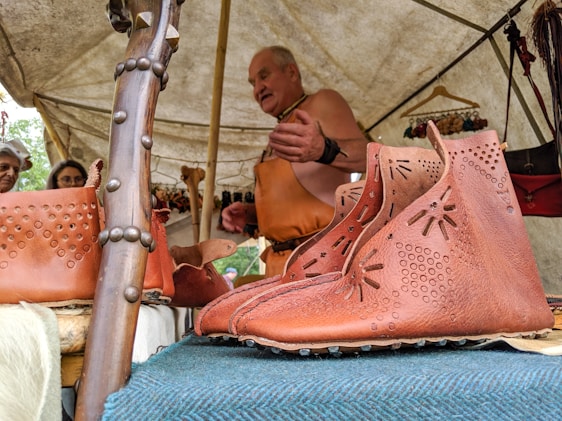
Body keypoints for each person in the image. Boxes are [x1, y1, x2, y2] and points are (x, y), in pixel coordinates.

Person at [221, 46, 380, 277]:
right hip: (278, 268)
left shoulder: (321, 102)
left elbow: (372, 158)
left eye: (264, 76)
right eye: (252, 82)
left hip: (322, 261)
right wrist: (251, 214)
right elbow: (291, 207)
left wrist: (324, 149)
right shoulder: (278, 135)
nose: (258, 89)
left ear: (292, 72)